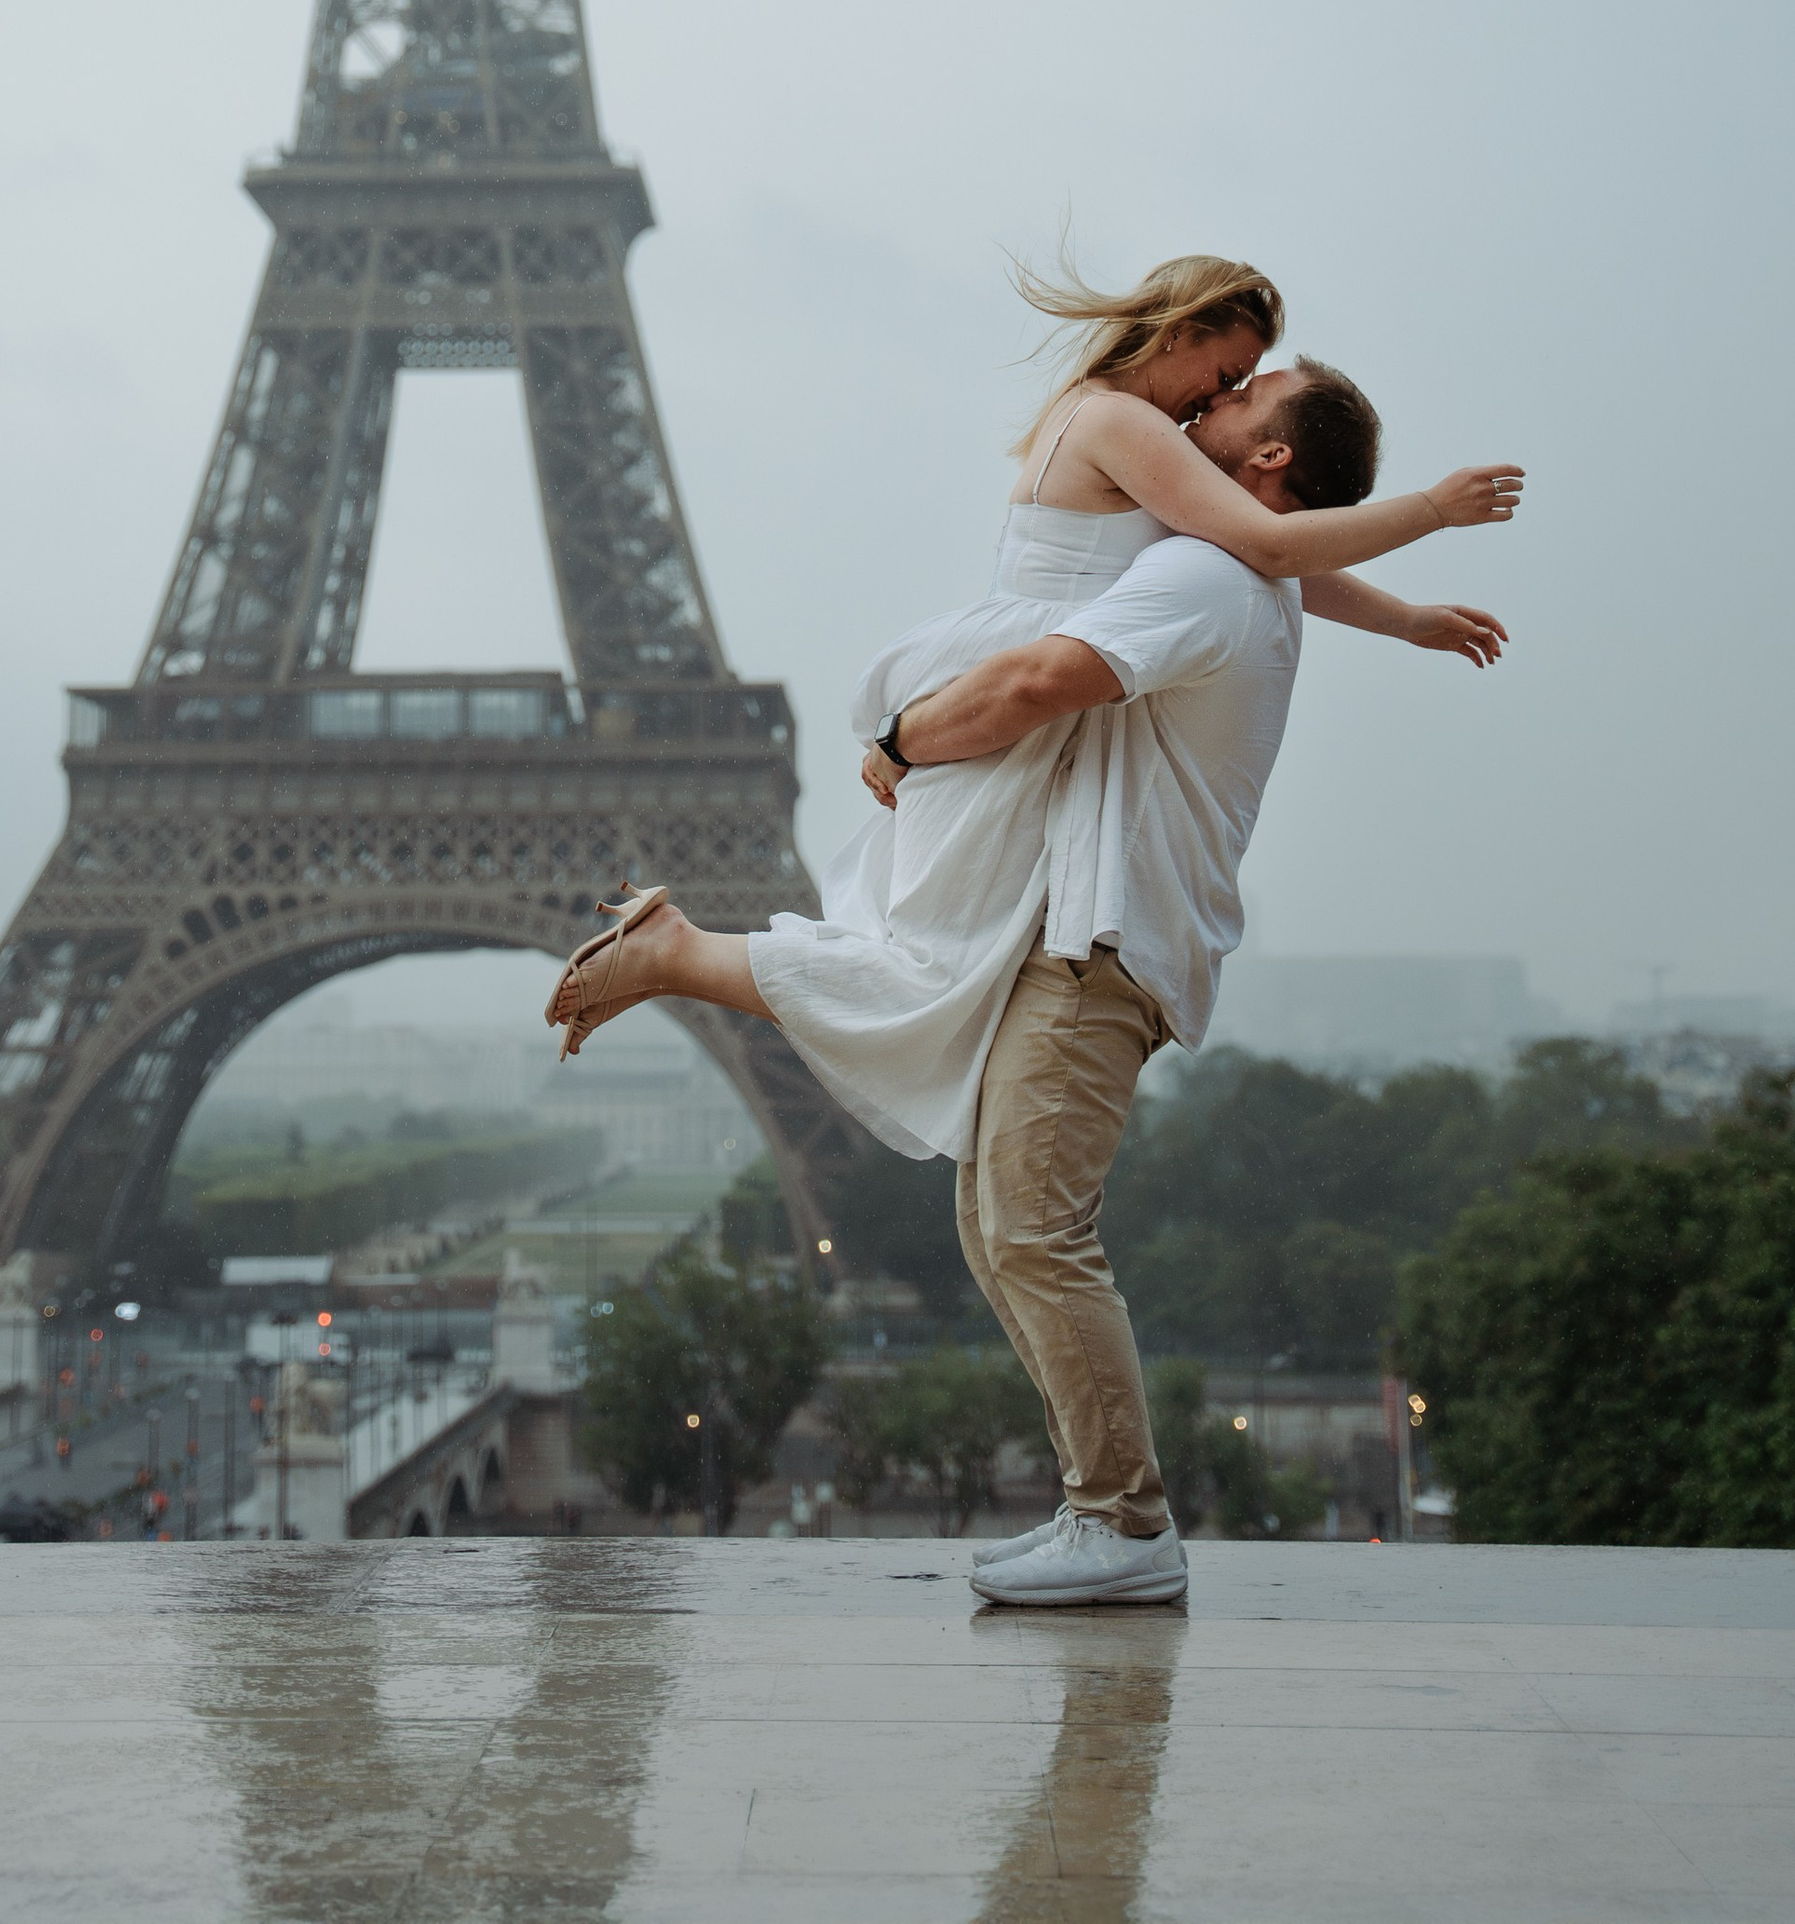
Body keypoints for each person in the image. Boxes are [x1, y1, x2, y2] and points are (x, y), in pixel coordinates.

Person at [540, 251, 1521, 1604]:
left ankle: (1119, 1523)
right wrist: (1410, 592)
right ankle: (682, 952)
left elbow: (1072, 662)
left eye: (1244, 391)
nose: (1222, 397)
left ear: (1268, 448)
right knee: (979, 1158)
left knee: (1017, 1202)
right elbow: (1277, 561)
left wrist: (901, 737)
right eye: (1225, 370)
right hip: (1091, 899)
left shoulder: (1203, 566)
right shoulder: (1204, 540)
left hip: (1101, 928)